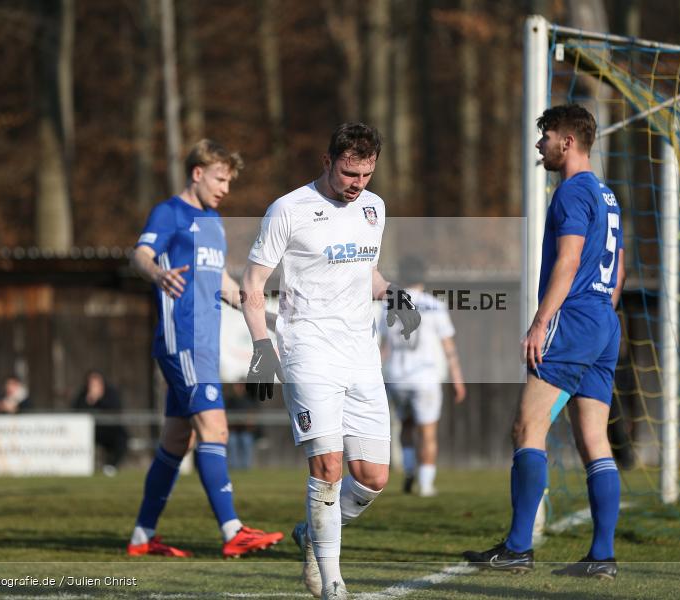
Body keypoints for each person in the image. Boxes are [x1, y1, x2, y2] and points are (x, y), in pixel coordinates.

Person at [242, 123, 421, 600]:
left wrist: (395, 295)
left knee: (374, 478)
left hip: (360, 355)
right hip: (308, 351)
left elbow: (369, 271)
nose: (357, 183)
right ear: (327, 161)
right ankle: (331, 582)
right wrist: (262, 348)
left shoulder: (374, 208)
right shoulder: (289, 209)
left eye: (366, 173)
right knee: (328, 466)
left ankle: (312, 531)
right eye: (348, 173)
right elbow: (253, 284)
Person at [463, 104, 625, 579]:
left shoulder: (572, 192)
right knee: (594, 439)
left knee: (526, 429)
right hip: (604, 321)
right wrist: (600, 318)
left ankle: (517, 548)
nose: (540, 144)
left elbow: (569, 261)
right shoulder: (607, 194)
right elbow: (618, 269)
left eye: (546, 136)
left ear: (568, 142)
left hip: (573, 320)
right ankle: (602, 556)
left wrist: (541, 323)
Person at [127, 139, 283, 558]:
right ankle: (233, 531)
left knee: (177, 442)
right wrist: (157, 273)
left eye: (229, 181)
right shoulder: (170, 213)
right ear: (197, 173)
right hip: (184, 339)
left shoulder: (212, 221)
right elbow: (139, 255)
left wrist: (267, 316)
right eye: (220, 178)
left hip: (204, 344)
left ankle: (143, 537)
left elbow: (223, 283)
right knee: (215, 430)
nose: (225, 188)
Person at [381, 255, 466, 498]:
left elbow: (384, 347)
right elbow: (448, 346)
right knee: (427, 431)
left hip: (397, 376)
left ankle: (408, 470)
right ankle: (426, 484)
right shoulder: (434, 305)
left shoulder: (389, 304)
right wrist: (458, 378)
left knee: (405, 427)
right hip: (425, 378)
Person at [72, 370, 129, 476]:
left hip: (110, 430)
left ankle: (111, 466)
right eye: (91, 384)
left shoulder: (111, 393)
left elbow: (116, 409)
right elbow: (76, 411)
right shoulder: (83, 395)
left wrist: (99, 399)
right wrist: (90, 400)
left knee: (122, 437)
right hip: (90, 431)